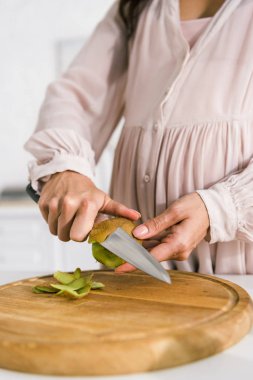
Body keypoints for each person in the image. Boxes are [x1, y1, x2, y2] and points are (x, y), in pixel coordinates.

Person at [24, 0, 253, 275]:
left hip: (239, 270)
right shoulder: (137, 6)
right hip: (133, 272)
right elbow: (76, 96)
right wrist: (65, 168)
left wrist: (220, 208)